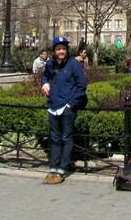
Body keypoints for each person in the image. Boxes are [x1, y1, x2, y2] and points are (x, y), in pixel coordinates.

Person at [40, 36, 88, 184]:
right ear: (54, 51)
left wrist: (71, 104)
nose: (61, 51)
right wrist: (45, 84)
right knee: (54, 138)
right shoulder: (50, 64)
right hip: (53, 106)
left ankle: (62, 168)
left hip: (67, 107)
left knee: (66, 137)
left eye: (63, 49)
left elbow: (82, 85)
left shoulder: (74, 64)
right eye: (58, 49)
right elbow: (45, 76)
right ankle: (53, 167)